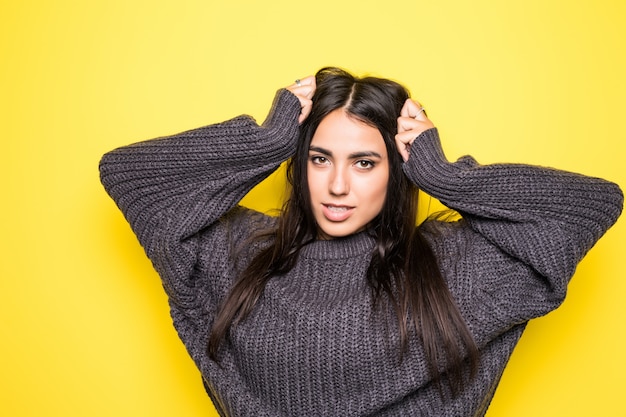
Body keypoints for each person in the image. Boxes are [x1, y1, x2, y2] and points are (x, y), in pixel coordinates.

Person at [99, 67, 623, 416]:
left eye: (365, 162)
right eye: (319, 158)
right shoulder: (240, 254)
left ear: (396, 168)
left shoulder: (457, 263)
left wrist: (443, 176)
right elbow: (127, 176)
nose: (338, 186)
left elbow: (591, 205)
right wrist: (266, 140)